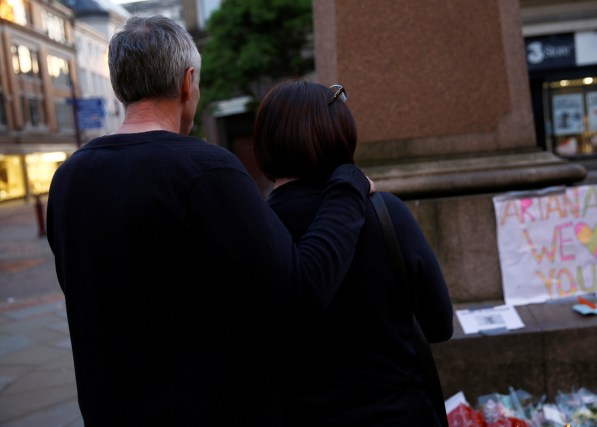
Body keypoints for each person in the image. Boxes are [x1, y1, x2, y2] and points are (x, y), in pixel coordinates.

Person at [46, 16, 373, 426]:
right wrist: (347, 183)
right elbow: (301, 291)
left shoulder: (69, 179)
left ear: (119, 85)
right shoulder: (205, 170)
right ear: (187, 82)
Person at [253, 79, 454, 426]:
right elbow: (438, 324)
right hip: (401, 413)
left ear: (265, 142)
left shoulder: (253, 228)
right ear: (341, 134)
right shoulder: (385, 212)